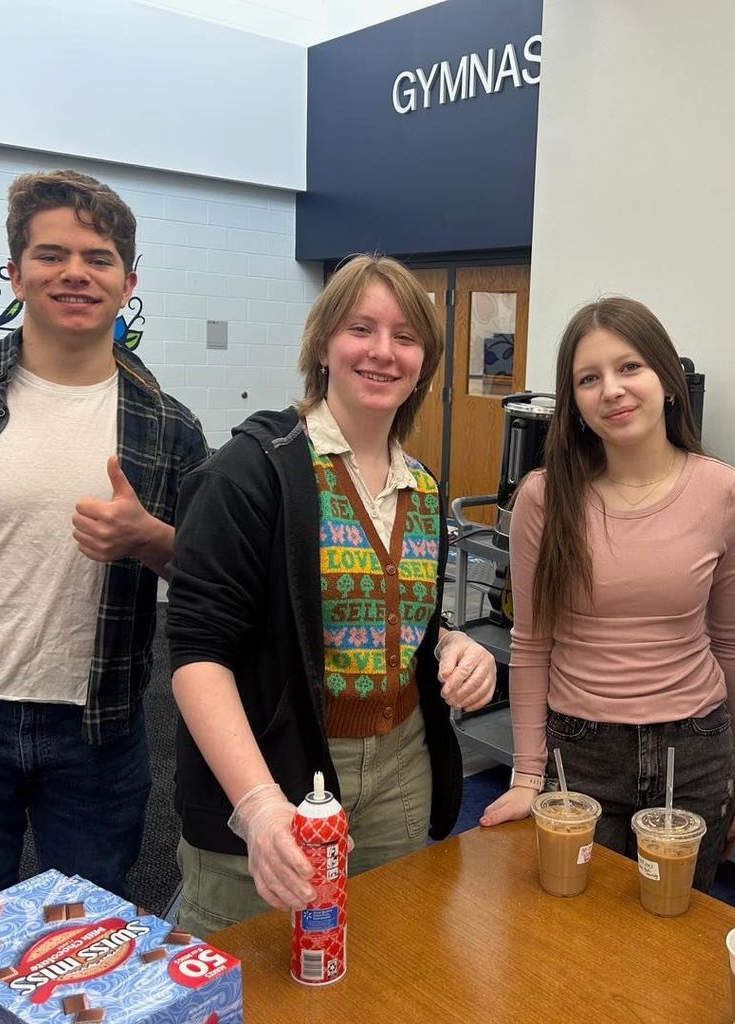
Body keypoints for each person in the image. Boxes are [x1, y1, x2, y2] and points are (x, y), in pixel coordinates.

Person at [167, 254, 497, 934]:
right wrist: (258, 807)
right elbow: (199, 652)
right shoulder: (251, 473)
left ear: (425, 360)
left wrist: (456, 644)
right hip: (276, 764)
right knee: (253, 974)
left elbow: (409, 617)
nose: (383, 352)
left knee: (387, 962)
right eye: (361, 329)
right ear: (323, 343)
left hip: (403, 764)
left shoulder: (424, 487)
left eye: (405, 337)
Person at [0, 169, 210, 903]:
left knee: (89, 933)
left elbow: (210, 575)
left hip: (98, 730)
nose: (75, 272)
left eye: (98, 258)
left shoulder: (170, 427)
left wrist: (149, 538)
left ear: (127, 281)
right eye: (51, 254)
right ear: (14, 273)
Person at [480, 297, 735, 893]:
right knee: (573, 934)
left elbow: (733, 640)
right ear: (573, 402)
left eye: (629, 367)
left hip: (697, 746)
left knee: (674, 930)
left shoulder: (725, 492)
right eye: (588, 378)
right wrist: (527, 775)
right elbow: (530, 646)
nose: (612, 389)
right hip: (579, 753)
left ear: (668, 380)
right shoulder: (543, 498)